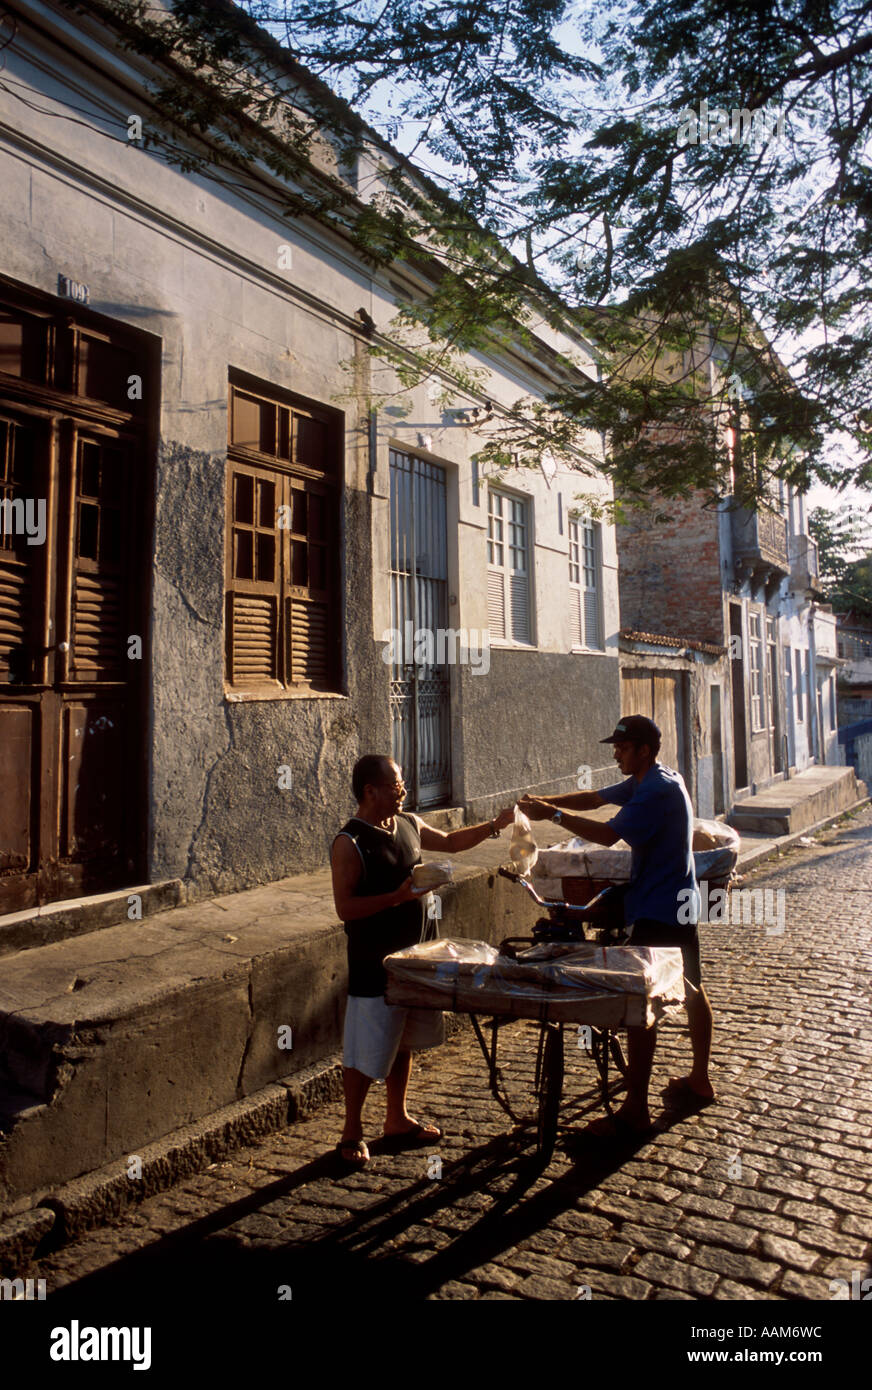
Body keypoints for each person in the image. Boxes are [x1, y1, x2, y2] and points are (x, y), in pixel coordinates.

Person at [519, 715, 714, 1138]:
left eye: (622, 748)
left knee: (639, 1003)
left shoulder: (656, 790)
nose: (615, 754)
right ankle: (699, 1078)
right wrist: (543, 801)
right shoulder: (654, 778)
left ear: (643, 750)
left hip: (660, 906)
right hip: (679, 900)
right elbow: (593, 797)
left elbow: (607, 835)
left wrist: (551, 814)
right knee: (693, 987)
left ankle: (635, 1110)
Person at [331, 754, 515, 1167]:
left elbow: (450, 843)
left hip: (416, 958)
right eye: (396, 787)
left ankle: (396, 1118)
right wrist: (397, 898)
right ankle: (351, 1130)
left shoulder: (409, 825)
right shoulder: (350, 843)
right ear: (370, 791)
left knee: (404, 1041)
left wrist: (494, 826)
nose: (404, 793)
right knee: (364, 1050)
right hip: (374, 964)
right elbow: (346, 908)